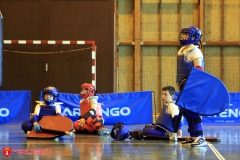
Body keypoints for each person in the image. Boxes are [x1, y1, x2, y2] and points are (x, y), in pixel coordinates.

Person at [110, 86, 182, 141]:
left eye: (165, 94)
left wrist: (179, 135)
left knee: (147, 131)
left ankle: (129, 134)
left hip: (167, 133)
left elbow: (177, 120)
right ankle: (130, 134)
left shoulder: (172, 106)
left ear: (172, 96)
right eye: (162, 94)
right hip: (162, 130)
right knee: (147, 128)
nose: (163, 96)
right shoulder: (168, 104)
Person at [176, 26, 207, 147]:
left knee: (193, 111)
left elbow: (199, 70)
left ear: (194, 37)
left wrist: (193, 86)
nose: (183, 37)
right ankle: (193, 135)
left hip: (192, 85)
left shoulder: (195, 51)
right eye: (183, 34)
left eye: (186, 35)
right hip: (183, 84)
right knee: (186, 111)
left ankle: (200, 137)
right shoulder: (183, 50)